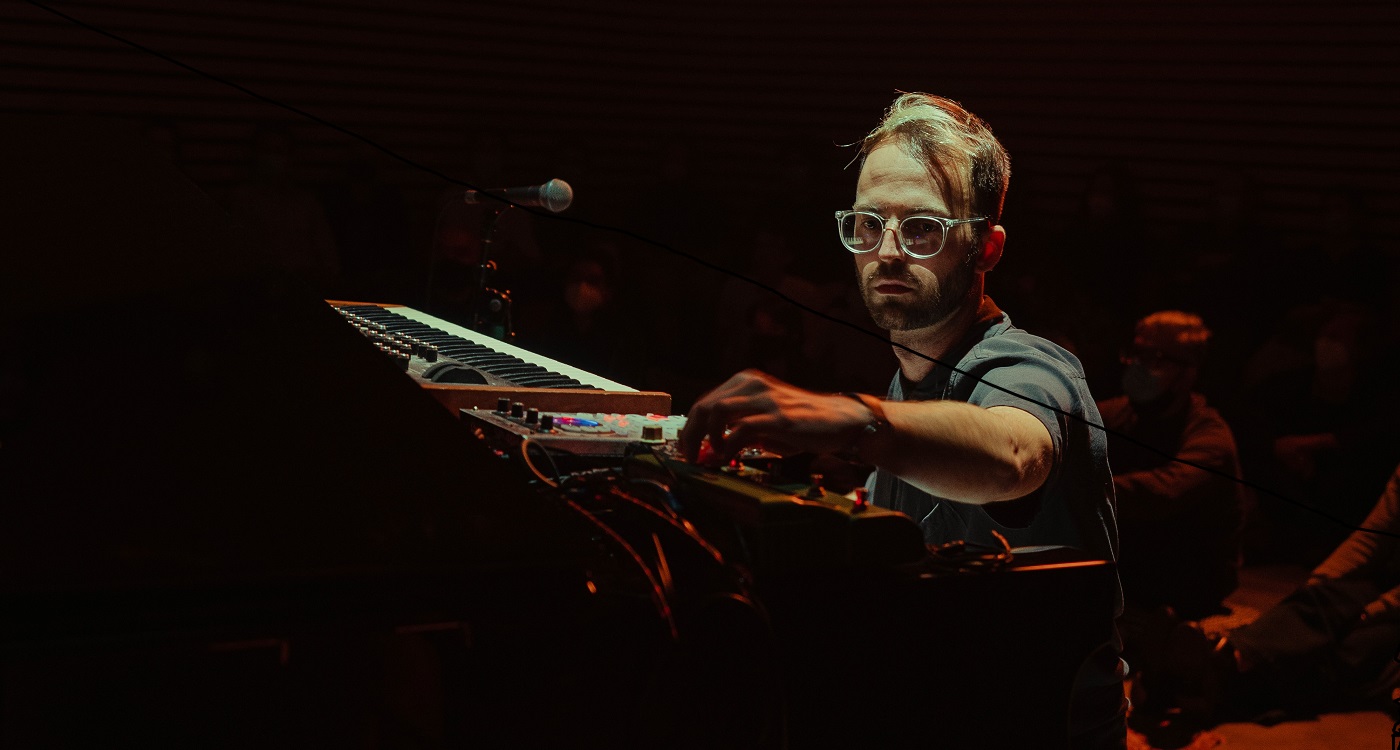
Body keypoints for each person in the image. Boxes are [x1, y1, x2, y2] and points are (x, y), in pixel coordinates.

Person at [679, 93, 1125, 748]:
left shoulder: (1031, 368)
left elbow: (1013, 454)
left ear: (988, 247)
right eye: (867, 224)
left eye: (921, 228)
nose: (886, 252)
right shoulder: (911, 378)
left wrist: (852, 419)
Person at [1168, 462, 1400, 721]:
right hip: (1387, 579)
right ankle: (1230, 659)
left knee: (1356, 648)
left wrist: (1374, 611)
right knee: (1323, 603)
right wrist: (1318, 584)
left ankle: (1198, 683)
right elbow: (1372, 538)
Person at [1100, 311, 1246, 620]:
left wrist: (1075, 485)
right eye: (1135, 354)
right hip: (1134, 568)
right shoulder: (1118, 414)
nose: (1138, 366)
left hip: (1188, 581)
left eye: (1155, 358)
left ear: (1189, 373)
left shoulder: (1210, 435)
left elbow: (1164, 492)